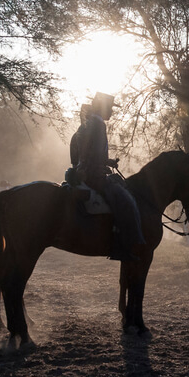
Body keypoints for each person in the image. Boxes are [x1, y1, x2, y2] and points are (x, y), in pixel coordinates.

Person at [70, 92, 145, 261]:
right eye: (110, 108)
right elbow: (94, 154)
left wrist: (108, 161)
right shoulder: (98, 124)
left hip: (86, 172)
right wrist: (105, 162)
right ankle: (125, 246)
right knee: (125, 199)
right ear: (102, 108)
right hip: (93, 175)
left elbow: (85, 151)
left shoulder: (88, 123)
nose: (111, 112)